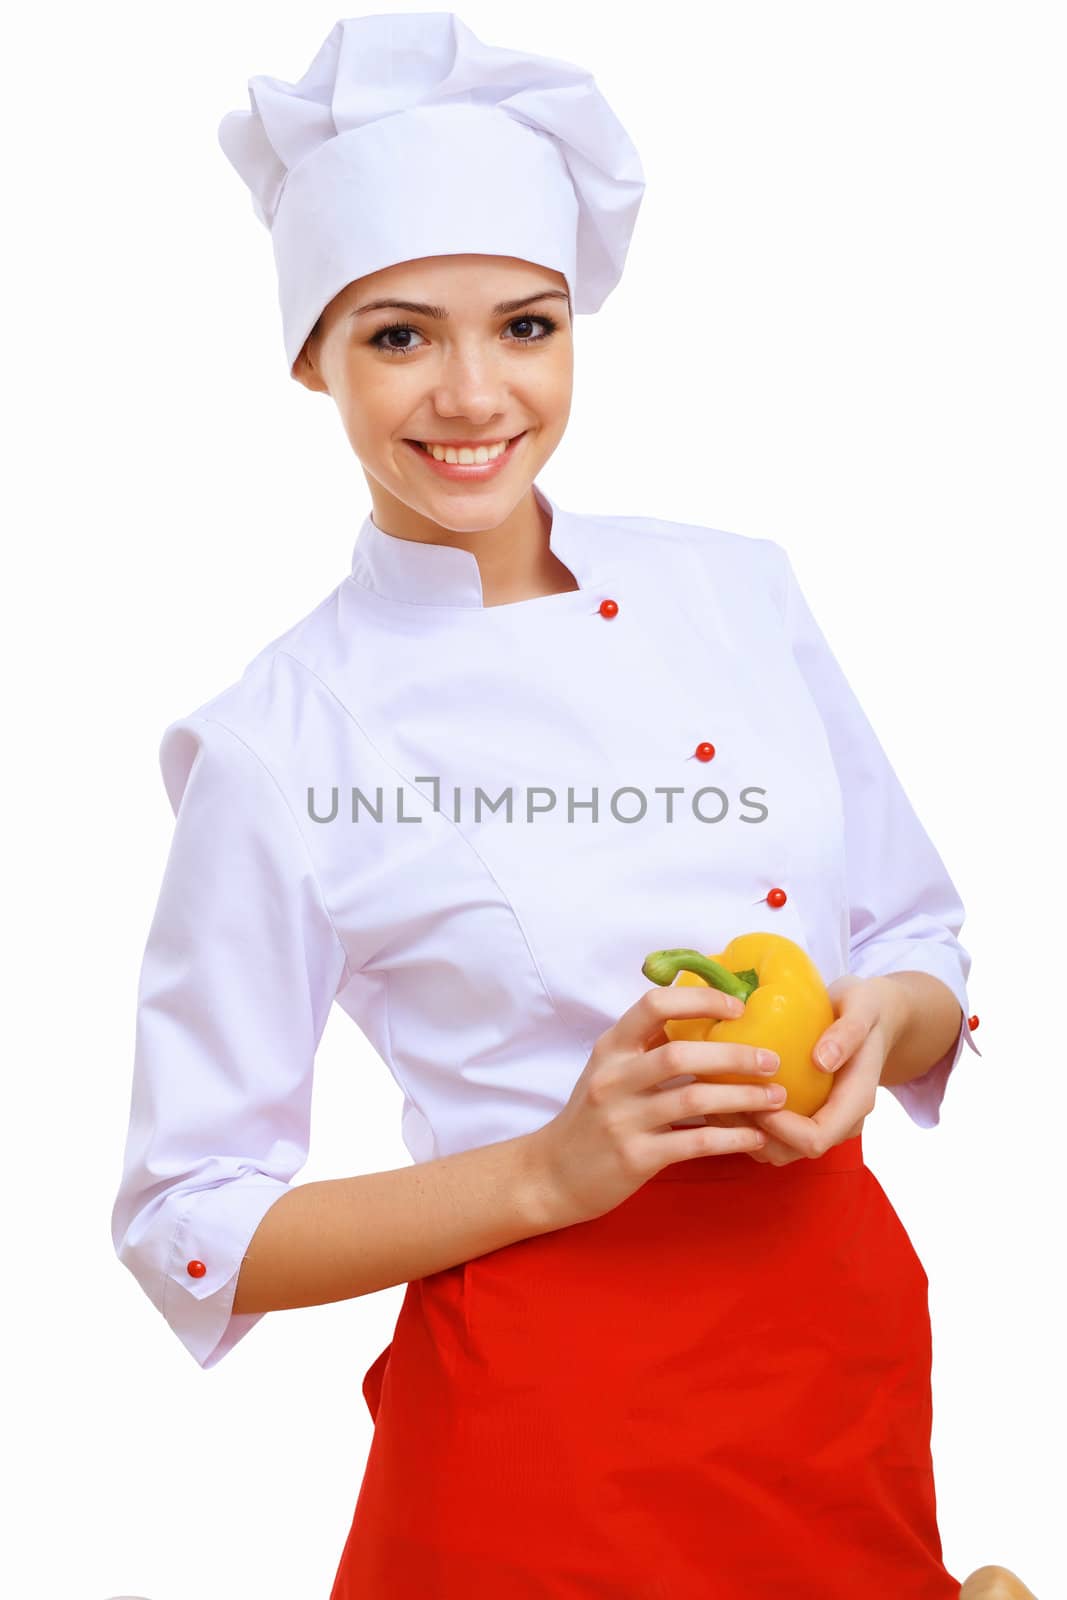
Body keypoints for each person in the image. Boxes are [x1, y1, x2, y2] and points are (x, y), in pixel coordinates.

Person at [110, 13, 995, 1597]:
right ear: (311, 355)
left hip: (838, 1368)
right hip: (552, 1432)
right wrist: (551, 1171)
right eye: (397, 337)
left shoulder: (736, 589)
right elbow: (192, 1218)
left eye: (524, 327)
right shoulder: (279, 739)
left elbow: (919, 934)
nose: (471, 395)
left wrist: (886, 1024)